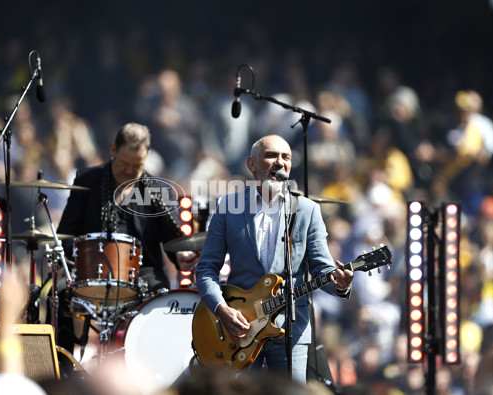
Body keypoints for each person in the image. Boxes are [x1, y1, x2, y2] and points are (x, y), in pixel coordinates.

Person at [195, 134, 354, 383]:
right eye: (271, 155)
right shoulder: (228, 207)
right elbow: (206, 269)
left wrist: (340, 285)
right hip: (240, 330)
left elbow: (323, 268)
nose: (280, 162)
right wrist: (222, 310)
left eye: (286, 157)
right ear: (252, 165)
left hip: (292, 328)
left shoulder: (306, 210)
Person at [54, 122, 197, 359]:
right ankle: (64, 370)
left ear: (147, 157)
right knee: (60, 294)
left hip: (144, 273)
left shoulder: (158, 189)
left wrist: (181, 255)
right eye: (124, 164)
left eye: (137, 166)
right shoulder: (87, 180)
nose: (130, 172)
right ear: (113, 151)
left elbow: (173, 239)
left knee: (161, 303)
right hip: (91, 269)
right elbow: (66, 234)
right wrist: (71, 262)